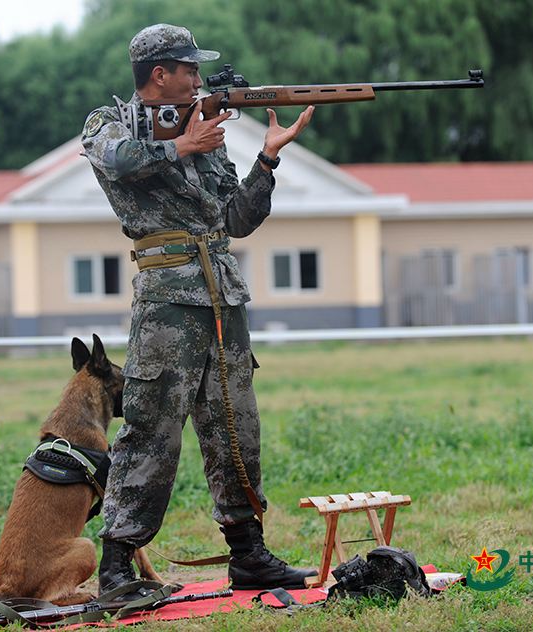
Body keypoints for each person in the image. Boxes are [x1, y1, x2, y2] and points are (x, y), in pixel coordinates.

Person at [81, 23, 316, 595]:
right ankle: (116, 568)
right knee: (151, 431)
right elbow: (117, 161)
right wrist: (181, 145)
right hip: (167, 302)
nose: (199, 78)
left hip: (222, 293)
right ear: (158, 74)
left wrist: (265, 161)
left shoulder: (205, 131)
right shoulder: (108, 124)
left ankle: (248, 552)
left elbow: (234, 219)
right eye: (188, 69)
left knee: (235, 426)